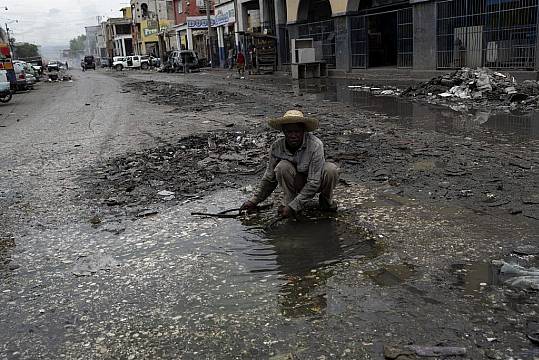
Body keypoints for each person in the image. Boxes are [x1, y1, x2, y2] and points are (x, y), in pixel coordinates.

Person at [241, 110, 339, 218]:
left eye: (297, 132)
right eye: (289, 132)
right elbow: (269, 179)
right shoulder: (276, 147)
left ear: (303, 131)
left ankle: (326, 201)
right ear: (283, 131)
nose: (293, 135)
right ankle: (289, 200)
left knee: (331, 170)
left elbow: (314, 182)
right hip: (295, 182)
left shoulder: (315, 145)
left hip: (316, 181)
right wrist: (254, 201)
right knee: (281, 167)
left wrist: (294, 207)